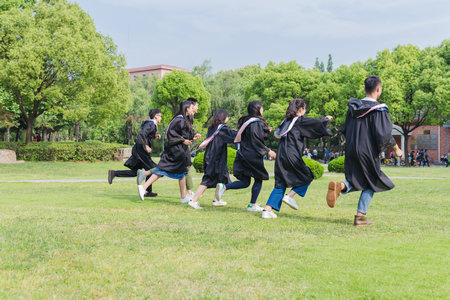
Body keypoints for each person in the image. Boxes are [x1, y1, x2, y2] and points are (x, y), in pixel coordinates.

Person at [326, 75, 403, 226]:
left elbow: (346, 129)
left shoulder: (353, 107)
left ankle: (341, 186)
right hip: (367, 150)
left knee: (361, 179)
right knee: (372, 180)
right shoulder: (379, 110)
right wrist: (397, 149)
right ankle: (360, 217)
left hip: (351, 148)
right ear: (378, 89)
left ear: (364, 89)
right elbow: (384, 134)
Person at [262, 99, 333, 218]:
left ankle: (267, 210)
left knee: (280, 183)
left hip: (281, 155)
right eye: (304, 110)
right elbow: (315, 122)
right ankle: (290, 196)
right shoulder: (299, 120)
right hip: (292, 154)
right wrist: (326, 119)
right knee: (307, 176)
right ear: (300, 110)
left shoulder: (285, 121)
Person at [215, 100, 276, 212]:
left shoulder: (247, 121)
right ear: (258, 109)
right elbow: (256, 139)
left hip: (243, 154)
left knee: (245, 182)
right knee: (259, 178)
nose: (262, 110)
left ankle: (224, 187)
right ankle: (252, 205)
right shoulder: (256, 122)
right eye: (261, 107)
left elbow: (254, 135)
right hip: (252, 155)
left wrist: (266, 130)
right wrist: (268, 150)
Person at [136, 101, 200, 201]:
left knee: (182, 172)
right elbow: (171, 134)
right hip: (175, 151)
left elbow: (182, 134)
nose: (193, 110)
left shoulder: (182, 120)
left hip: (179, 150)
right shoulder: (179, 119)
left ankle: (183, 197)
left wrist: (192, 136)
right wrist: (183, 140)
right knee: (162, 170)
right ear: (187, 108)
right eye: (192, 107)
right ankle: (143, 187)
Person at [187, 109, 237, 209]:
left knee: (222, 177)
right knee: (208, 179)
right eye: (227, 116)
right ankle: (193, 200)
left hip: (211, 155)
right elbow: (234, 136)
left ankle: (216, 200)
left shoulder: (212, 127)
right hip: (216, 158)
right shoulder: (223, 128)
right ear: (223, 117)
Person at [108, 109, 162, 197]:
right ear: (156, 116)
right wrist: (146, 146)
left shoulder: (151, 125)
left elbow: (145, 135)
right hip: (141, 151)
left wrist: (154, 136)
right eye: (160, 116)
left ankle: (114, 173)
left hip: (139, 150)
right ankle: (147, 191)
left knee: (134, 172)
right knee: (153, 169)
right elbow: (140, 136)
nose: (161, 118)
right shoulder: (151, 124)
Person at [183, 97, 202, 201]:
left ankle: (187, 193)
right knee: (165, 169)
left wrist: (192, 136)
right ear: (191, 106)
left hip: (183, 145)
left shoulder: (190, 117)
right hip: (179, 147)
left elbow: (187, 132)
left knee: (183, 168)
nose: (197, 107)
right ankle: (146, 174)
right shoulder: (182, 117)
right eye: (196, 105)